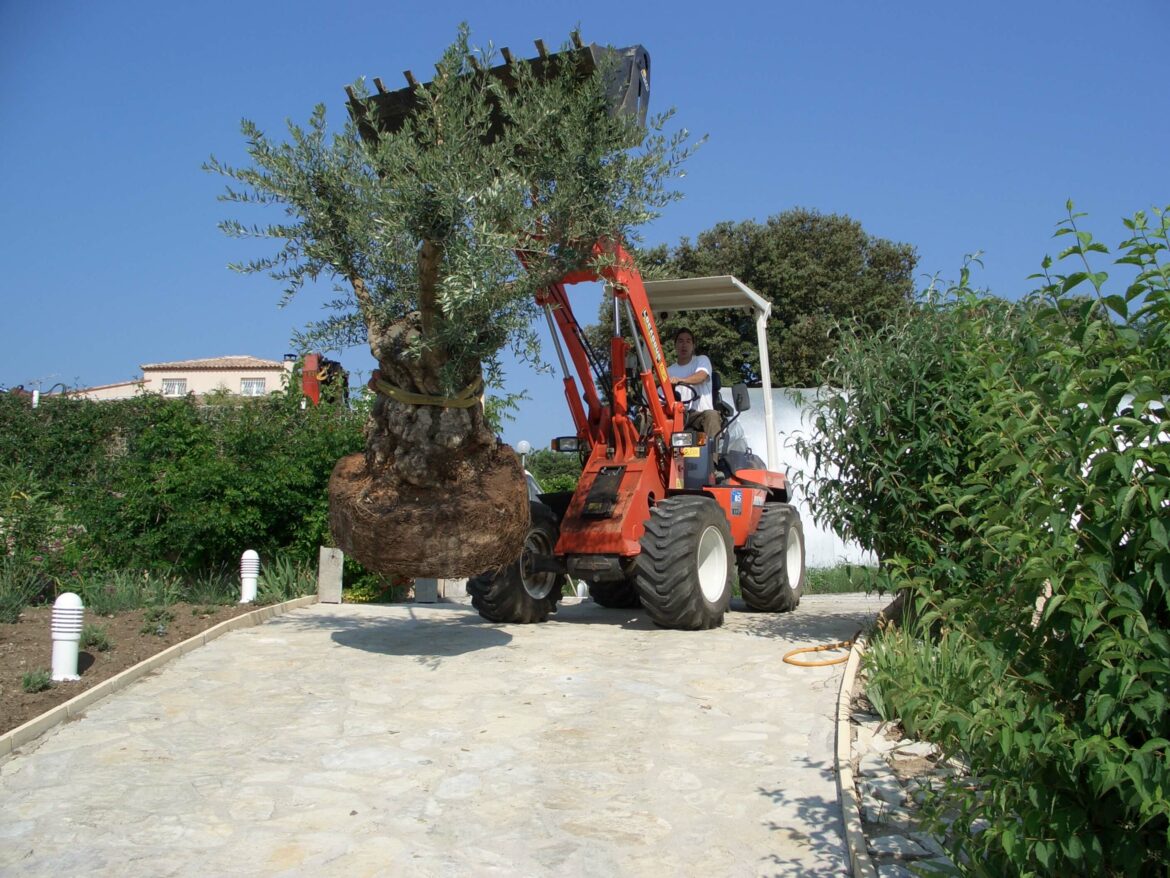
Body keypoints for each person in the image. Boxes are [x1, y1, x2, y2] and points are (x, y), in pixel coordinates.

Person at [666, 327, 722, 449]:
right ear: (675, 345)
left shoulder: (701, 361)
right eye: (680, 341)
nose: (684, 345)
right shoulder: (668, 371)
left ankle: (712, 462)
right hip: (678, 415)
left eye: (688, 341)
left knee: (712, 415)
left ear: (693, 345)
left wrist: (681, 380)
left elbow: (701, 376)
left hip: (699, 414)